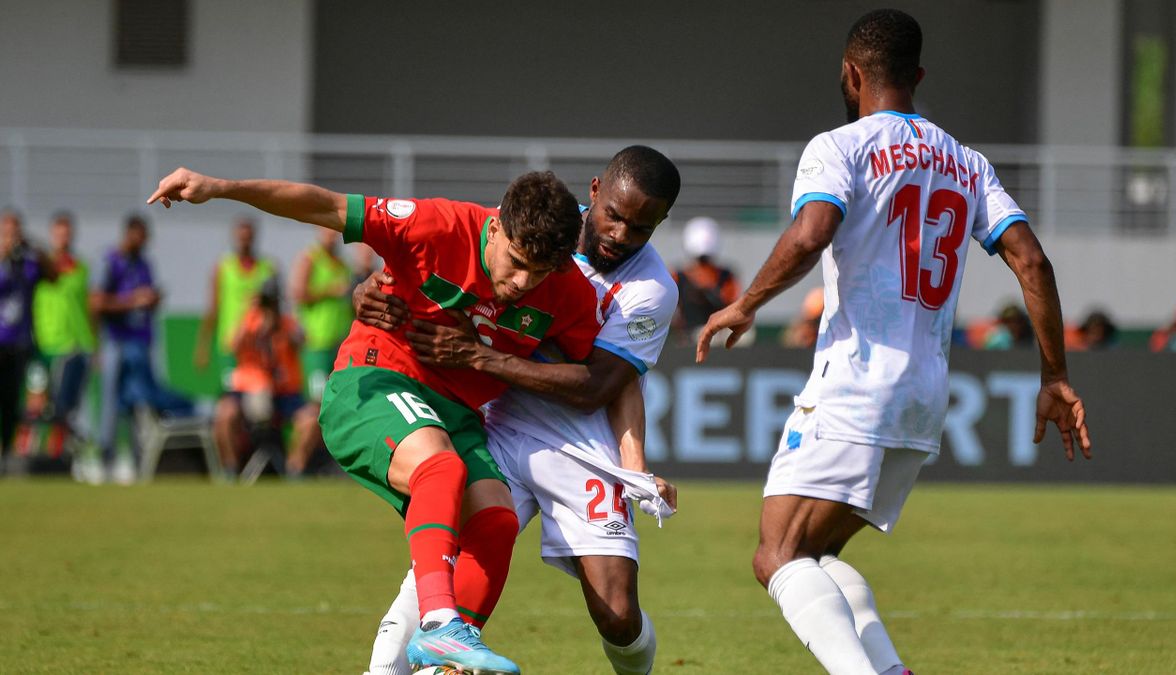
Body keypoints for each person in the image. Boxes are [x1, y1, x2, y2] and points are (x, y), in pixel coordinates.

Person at [696, 10, 1091, 674]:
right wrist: (1054, 375)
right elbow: (1033, 262)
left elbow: (811, 231)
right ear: (918, 76)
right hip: (924, 397)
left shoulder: (840, 146)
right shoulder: (967, 163)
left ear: (851, 73)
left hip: (853, 385)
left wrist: (746, 301)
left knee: (776, 555)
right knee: (816, 558)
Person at [147, 166, 600, 674]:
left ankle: (440, 665)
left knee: (495, 520)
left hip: (456, 414)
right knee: (440, 469)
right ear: (495, 228)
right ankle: (439, 628)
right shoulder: (435, 226)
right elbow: (325, 206)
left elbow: (598, 379)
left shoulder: (569, 290)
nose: (522, 283)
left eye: (538, 272)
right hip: (374, 380)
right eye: (517, 262)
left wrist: (633, 460)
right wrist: (222, 187)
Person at [355, 146, 681, 675]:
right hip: (498, 427)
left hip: (581, 445)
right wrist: (370, 293)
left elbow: (608, 384)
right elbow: (438, 280)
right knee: (443, 564)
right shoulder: (533, 225)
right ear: (594, 192)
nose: (620, 234)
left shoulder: (651, 289)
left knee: (618, 616)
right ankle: (388, 666)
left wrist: (635, 467)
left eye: (641, 228)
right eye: (614, 216)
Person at [94, 215, 192, 484]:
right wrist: (132, 301)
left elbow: (146, 301)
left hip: (140, 344)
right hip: (116, 342)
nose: (144, 242)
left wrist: (152, 300)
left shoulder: (145, 265)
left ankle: (139, 462)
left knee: (141, 403)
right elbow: (97, 302)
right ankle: (106, 459)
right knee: (112, 404)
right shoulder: (110, 261)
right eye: (140, 236)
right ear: (129, 234)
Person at [213, 278, 322, 478]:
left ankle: (293, 469)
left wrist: (281, 325)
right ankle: (230, 470)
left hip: (285, 393)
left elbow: (302, 340)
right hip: (251, 388)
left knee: (311, 420)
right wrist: (250, 314)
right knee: (224, 414)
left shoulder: (287, 323)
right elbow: (233, 345)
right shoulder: (250, 320)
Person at [19, 212, 96, 461]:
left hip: (75, 346)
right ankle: (21, 455)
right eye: (59, 233)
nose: (63, 238)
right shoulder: (40, 266)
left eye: (67, 233)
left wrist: (93, 344)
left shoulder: (80, 267)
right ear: (53, 234)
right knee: (35, 405)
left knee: (64, 409)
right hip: (45, 346)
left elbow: (87, 307)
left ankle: (56, 458)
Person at [0, 209, 55, 475]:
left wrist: (31, 245)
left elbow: (53, 274)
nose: (12, 236)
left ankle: (5, 455)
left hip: (18, 345)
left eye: (15, 230)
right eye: (7, 230)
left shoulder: (26, 263)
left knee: (11, 401)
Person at [195, 218, 277, 388]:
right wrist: (203, 346)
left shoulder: (267, 267)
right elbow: (213, 307)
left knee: (258, 399)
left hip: (257, 347)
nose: (245, 242)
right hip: (230, 344)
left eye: (248, 237)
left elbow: (275, 307)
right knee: (231, 397)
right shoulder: (224, 267)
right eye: (241, 238)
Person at [290, 228, 354, 402]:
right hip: (317, 342)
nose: (332, 238)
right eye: (329, 233)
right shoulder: (310, 259)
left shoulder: (344, 264)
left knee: (339, 399)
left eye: (335, 233)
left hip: (340, 343)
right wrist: (330, 291)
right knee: (317, 400)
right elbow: (298, 294)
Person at [671, 216, 742, 344]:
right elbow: (671, 313)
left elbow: (734, 309)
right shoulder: (678, 276)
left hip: (718, 334)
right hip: (690, 336)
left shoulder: (726, 276)